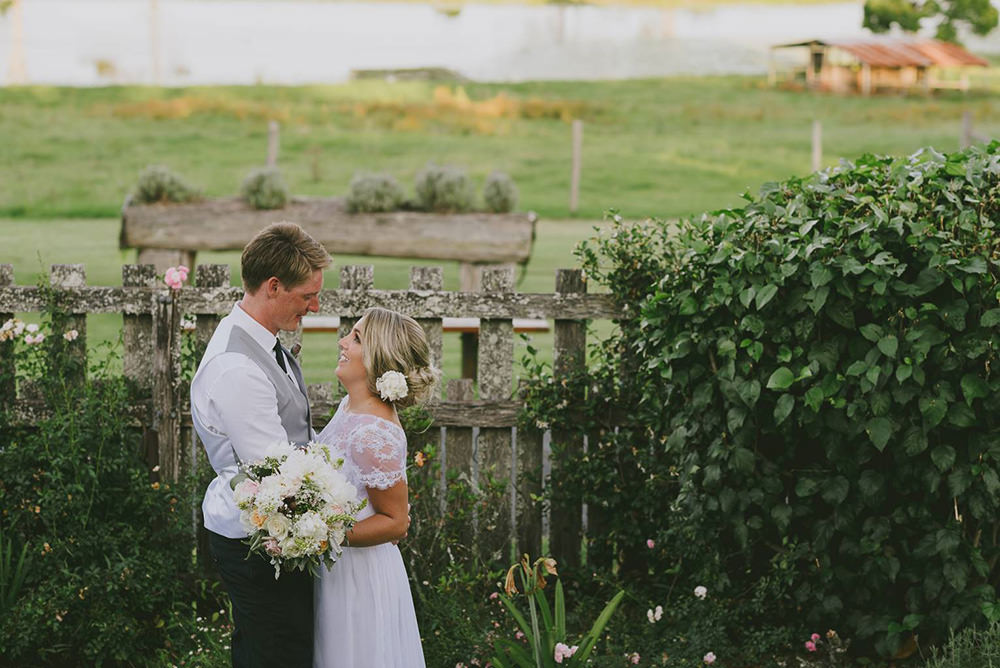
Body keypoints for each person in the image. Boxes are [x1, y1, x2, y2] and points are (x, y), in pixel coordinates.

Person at [191, 221, 331, 668]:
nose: (313, 306)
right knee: (273, 655)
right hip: (258, 543)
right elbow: (278, 475)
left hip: (274, 538)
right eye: (307, 295)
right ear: (273, 286)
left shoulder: (263, 344)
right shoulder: (238, 368)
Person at [313, 307, 440, 668]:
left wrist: (322, 535)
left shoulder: (374, 432)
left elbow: (396, 521)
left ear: (380, 357)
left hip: (360, 577)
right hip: (339, 568)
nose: (343, 342)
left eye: (356, 338)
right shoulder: (349, 408)